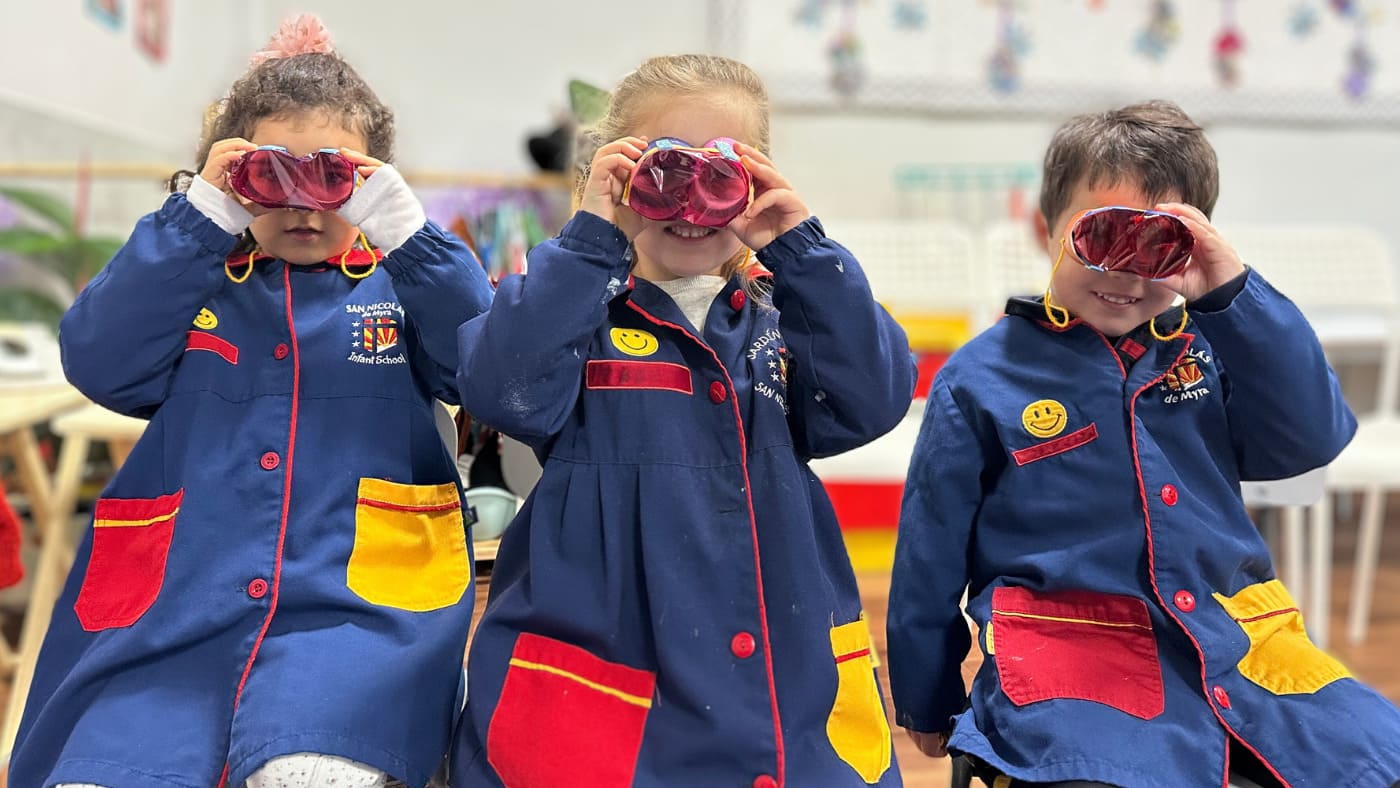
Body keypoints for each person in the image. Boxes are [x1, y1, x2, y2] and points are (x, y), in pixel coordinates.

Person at [11, 15, 493, 788]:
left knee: (310, 772)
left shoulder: (400, 288)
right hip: (172, 617)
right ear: (229, 177)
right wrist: (197, 222)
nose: (302, 204)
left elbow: (484, 366)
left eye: (332, 177)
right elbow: (100, 362)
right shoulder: (191, 279)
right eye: (273, 177)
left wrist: (411, 235)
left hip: (354, 620)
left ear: (375, 182)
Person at [887, 99, 1400, 788]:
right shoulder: (983, 378)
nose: (1126, 274)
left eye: (1158, 245)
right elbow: (930, 556)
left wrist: (1232, 295)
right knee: (1096, 772)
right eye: (1101, 236)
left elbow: (1309, 440)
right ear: (1046, 231)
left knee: (1367, 758)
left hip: (1239, 645)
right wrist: (927, 696)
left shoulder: (1213, 351)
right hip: (1069, 652)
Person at [450, 54, 915, 787]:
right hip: (609, 688)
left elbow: (874, 398)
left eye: (721, 177)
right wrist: (592, 238)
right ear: (615, 178)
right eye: (663, 176)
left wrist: (800, 246)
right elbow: (502, 389)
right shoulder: (576, 306)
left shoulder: (780, 314)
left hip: (779, 683)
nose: (688, 205)